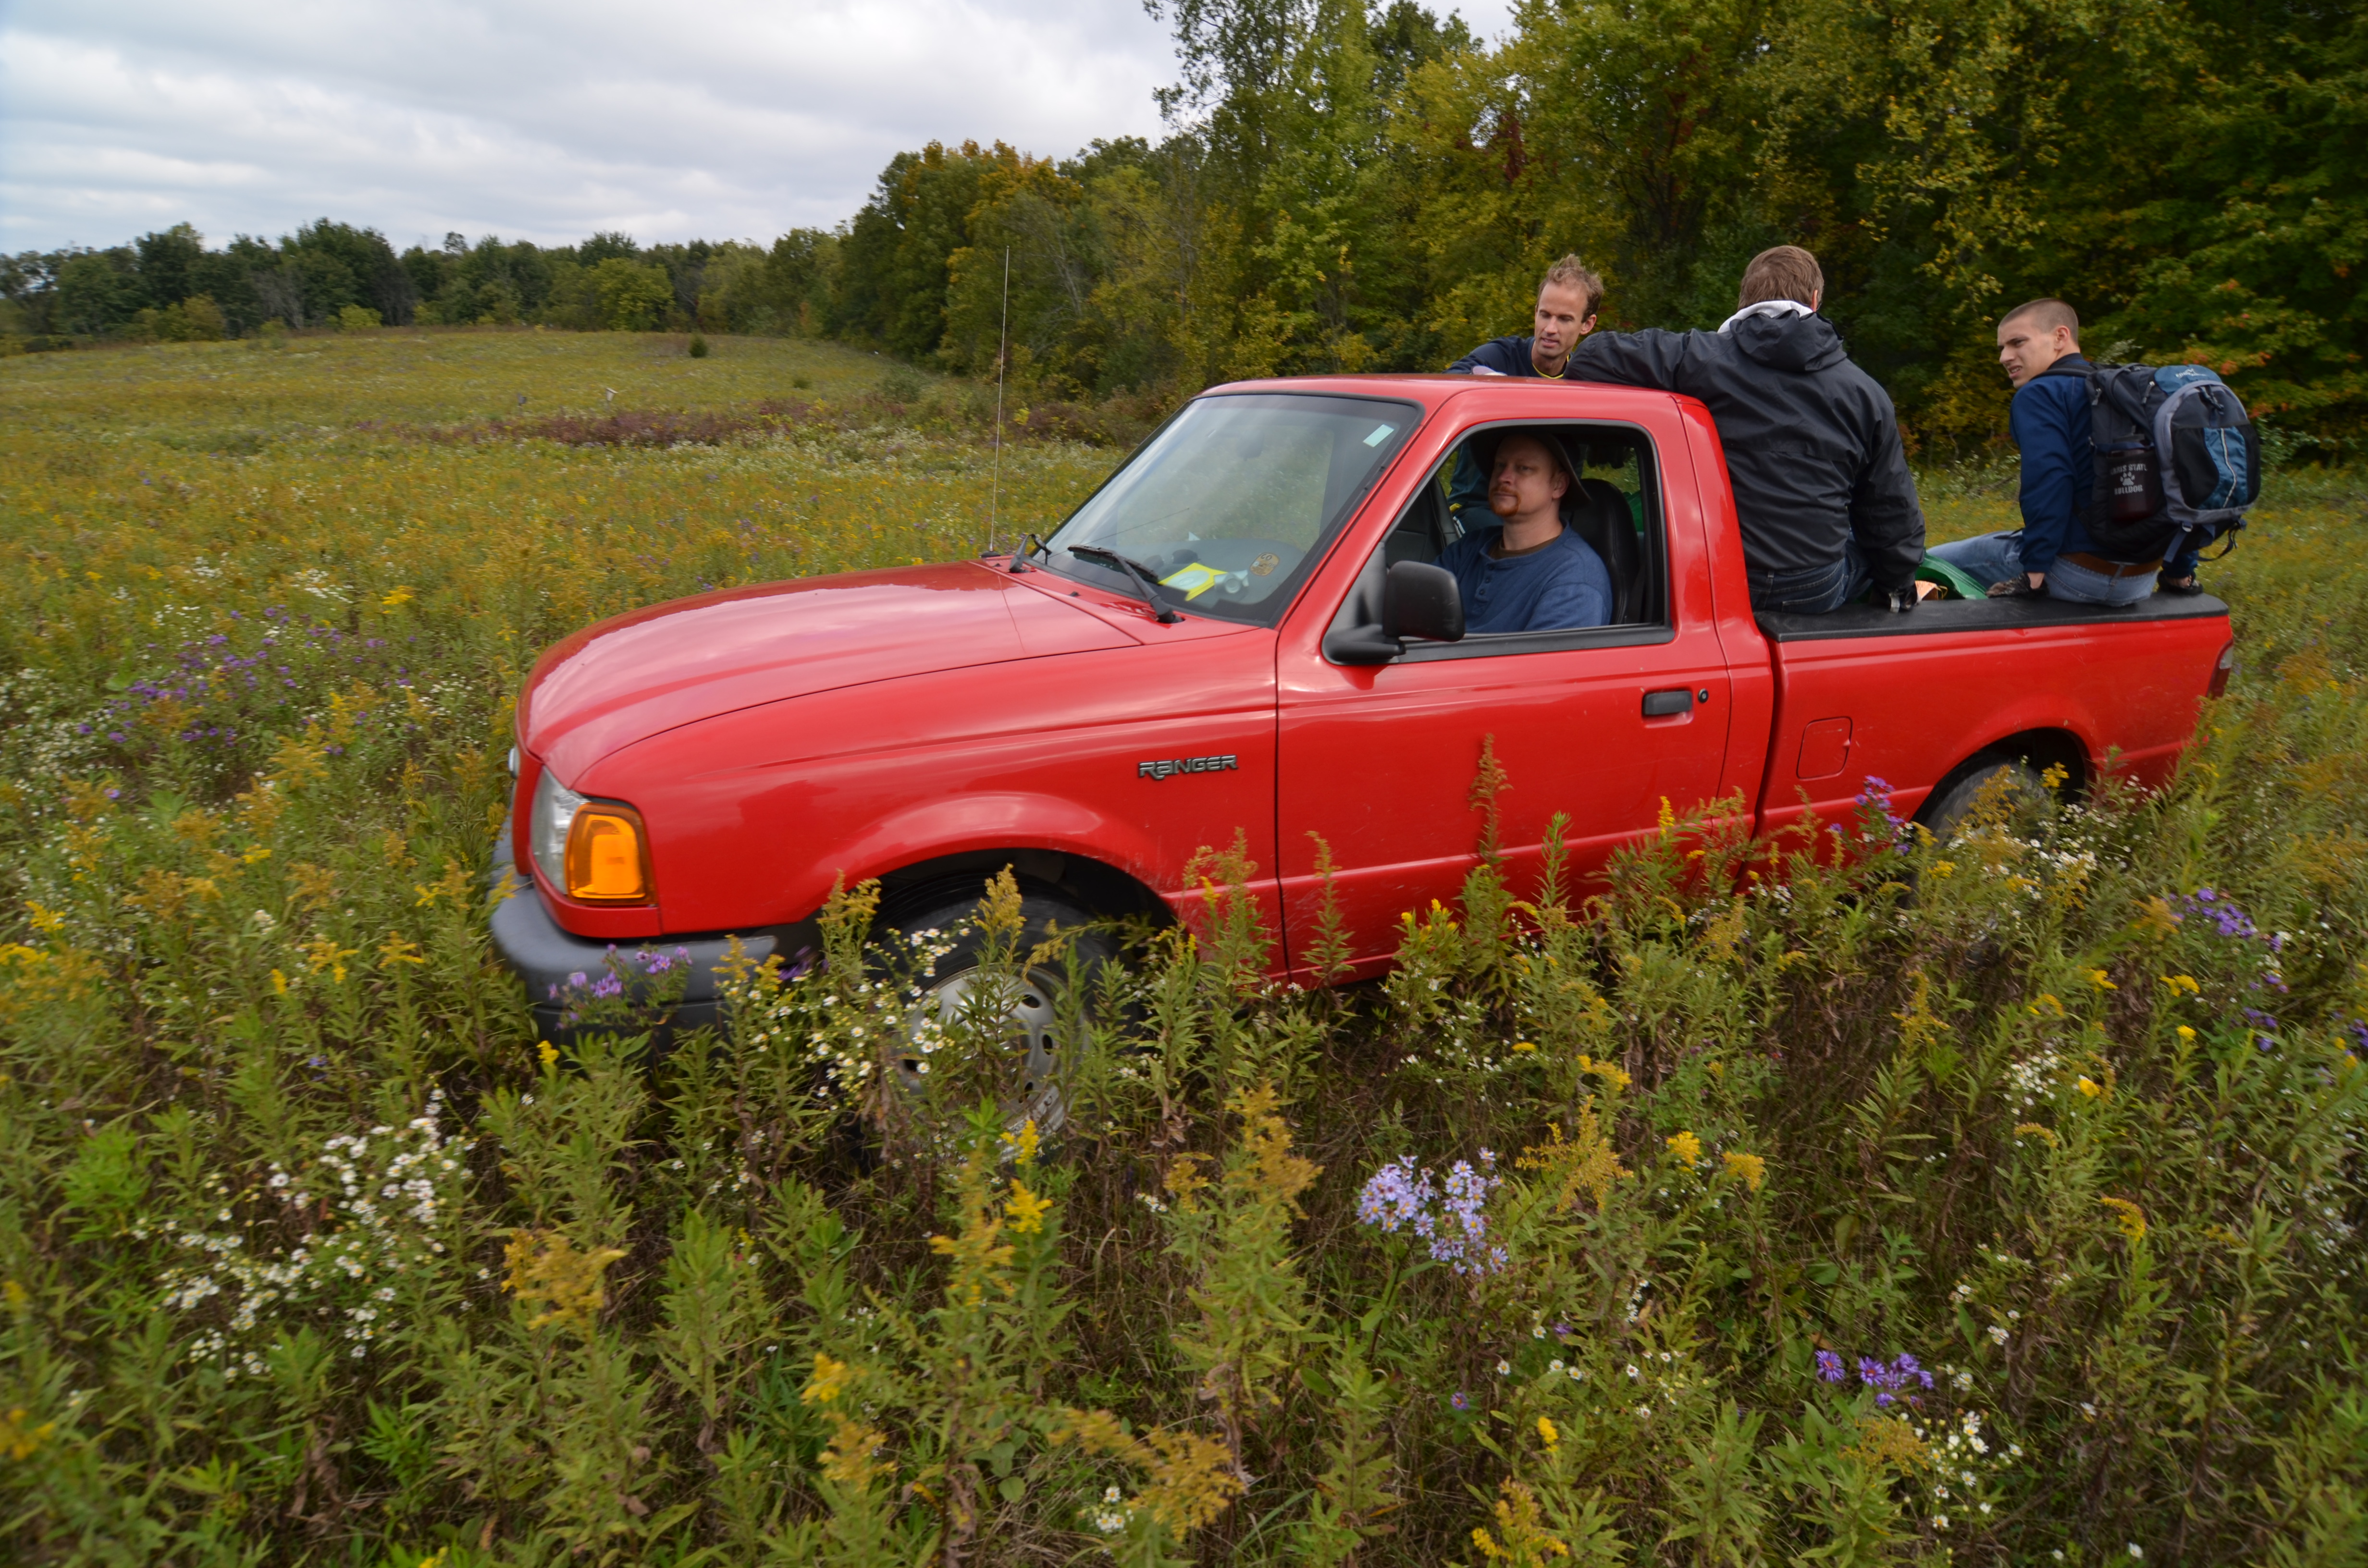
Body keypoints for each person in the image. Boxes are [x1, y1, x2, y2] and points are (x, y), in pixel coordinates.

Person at [1562, 245, 1925, 613]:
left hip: (1721, 579)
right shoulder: (1866, 394)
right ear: (1815, 301)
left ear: (1744, 300)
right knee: (1862, 530)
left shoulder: (1699, 359)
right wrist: (1896, 587)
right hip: (1812, 588)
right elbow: (1891, 512)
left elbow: (1590, 357)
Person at [1925, 298, 2201, 604]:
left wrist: (2034, 572)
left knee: (1931, 563)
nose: (2005, 357)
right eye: (2001, 348)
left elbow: (2049, 480)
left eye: (2018, 342)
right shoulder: (2129, 394)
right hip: (2142, 578)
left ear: (2060, 336)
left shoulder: (2040, 393)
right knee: (2002, 541)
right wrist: (2180, 570)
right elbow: (2181, 480)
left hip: (2077, 575)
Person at [1434, 431, 1612, 633]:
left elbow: (1544, 665)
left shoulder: (1575, 582)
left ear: (1558, 485)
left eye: (1524, 468)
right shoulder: (1469, 548)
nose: (1504, 477)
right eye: (1500, 465)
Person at [1450, 255, 1603, 380]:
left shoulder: (1585, 380)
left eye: (1564, 319)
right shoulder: (1502, 357)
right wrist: (1494, 385)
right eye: (1545, 315)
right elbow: (1447, 382)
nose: (1550, 329)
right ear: (1536, 313)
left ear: (1587, 324)